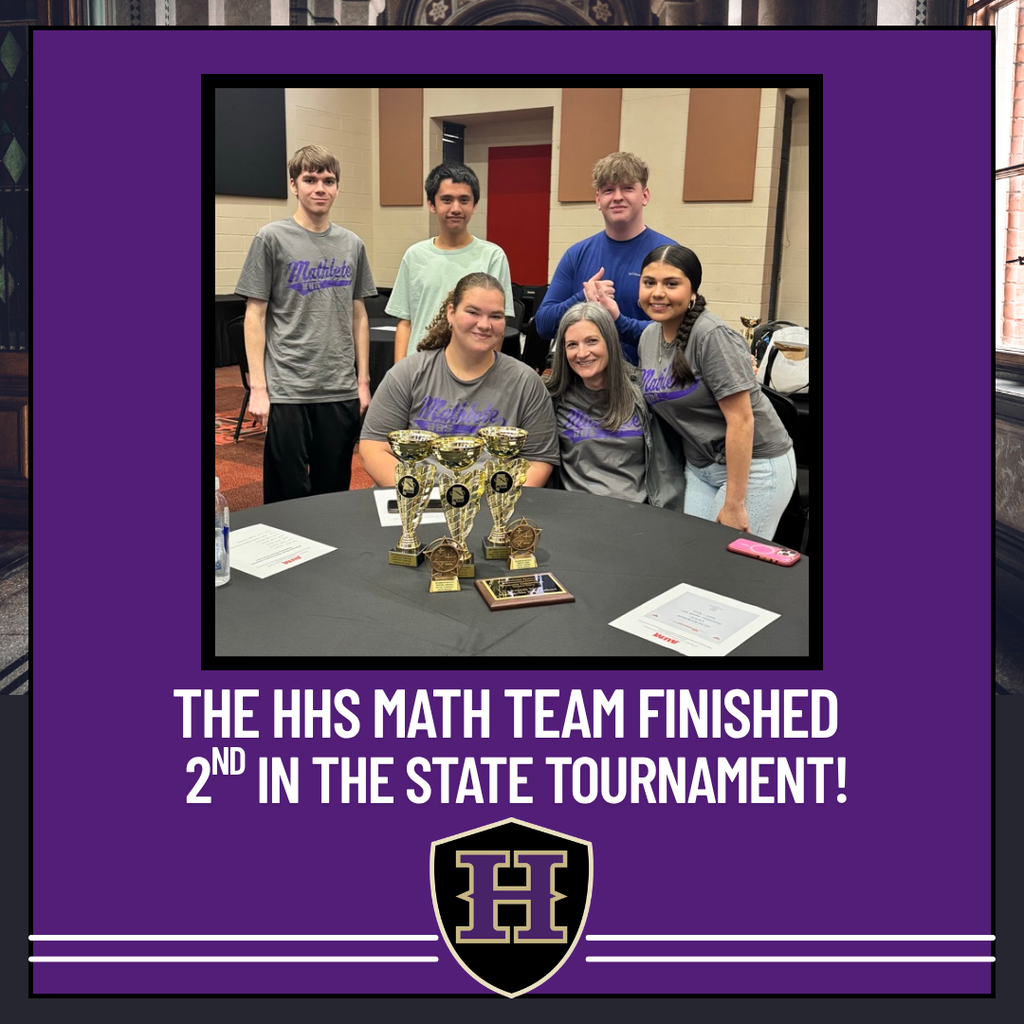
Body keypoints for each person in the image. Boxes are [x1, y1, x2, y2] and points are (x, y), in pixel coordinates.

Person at [236, 145, 376, 505]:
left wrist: (362, 382)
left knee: (333, 492)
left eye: (328, 181)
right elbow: (255, 314)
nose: (320, 188)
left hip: (338, 387)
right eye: (310, 179)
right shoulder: (271, 238)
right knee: (287, 495)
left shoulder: (352, 244)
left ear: (337, 187)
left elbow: (358, 312)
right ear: (294, 186)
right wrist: (258, 387)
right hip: (288, 387)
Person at [637, 245, 795, 539]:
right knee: (696, 559)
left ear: (692, 292)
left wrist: (734, 504)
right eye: (649, 282)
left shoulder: (711, 336)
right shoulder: (648, 337)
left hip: (755, 468)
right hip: (701, 468)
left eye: (671, 283)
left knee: (732, 568)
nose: (657, 293)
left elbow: (742, 420)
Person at [360, 272, 558, 487]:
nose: (484, 324)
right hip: (417, 500)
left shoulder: (526, 382)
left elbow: (538, 461)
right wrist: (418, 496)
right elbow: (374, 447)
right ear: (451, 314)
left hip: (491, 503)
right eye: (473, 312)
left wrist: (498, 500)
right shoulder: (408, 373)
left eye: (495, 316)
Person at [534, 152, 678, 366]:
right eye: (609, 190)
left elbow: (676, 334)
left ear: (645, 196)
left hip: (647, 385)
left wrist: (618, 321)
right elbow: (543, 325)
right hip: (583, 385)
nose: (617, 197)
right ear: (598, 199)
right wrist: (581, 298)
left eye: (628, 188)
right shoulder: (576, 254)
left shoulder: (669, 255)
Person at [387, 162, 514, 363]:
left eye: (464, 200)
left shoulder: (492, 256)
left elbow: (496, 326)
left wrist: (487, 372)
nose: (456, 208)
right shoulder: (415, 255)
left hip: (471, 368)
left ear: (474, 206)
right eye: (447, 200)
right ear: (431, 204)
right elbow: (405, 322)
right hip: (419, 368)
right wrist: (399, 373)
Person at [545, 303, 649, 503]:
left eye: (592, 341)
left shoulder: (642, 392)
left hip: (639, 515)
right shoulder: (552, 396)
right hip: (578, 513)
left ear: (609, 342)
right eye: (572, 345)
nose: (582, 353)